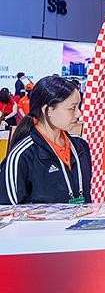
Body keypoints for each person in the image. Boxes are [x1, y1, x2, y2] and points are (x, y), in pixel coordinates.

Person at [1, 76, 91, 205]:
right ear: (48, 110)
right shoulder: (22, 156)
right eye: (72, 108)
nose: (78, 114)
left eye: (78, 106)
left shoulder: (80, 146)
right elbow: (7, 210)